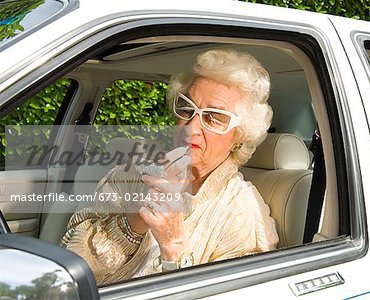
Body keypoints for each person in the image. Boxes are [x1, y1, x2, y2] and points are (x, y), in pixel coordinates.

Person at [61, 48, 279, 285]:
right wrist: (132, 224)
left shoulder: (243, 214)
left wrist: (173, 246)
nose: (191, 127)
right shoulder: (133, 172)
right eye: (187, 109)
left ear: (239, 136)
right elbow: (68, 260)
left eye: (213, 117)